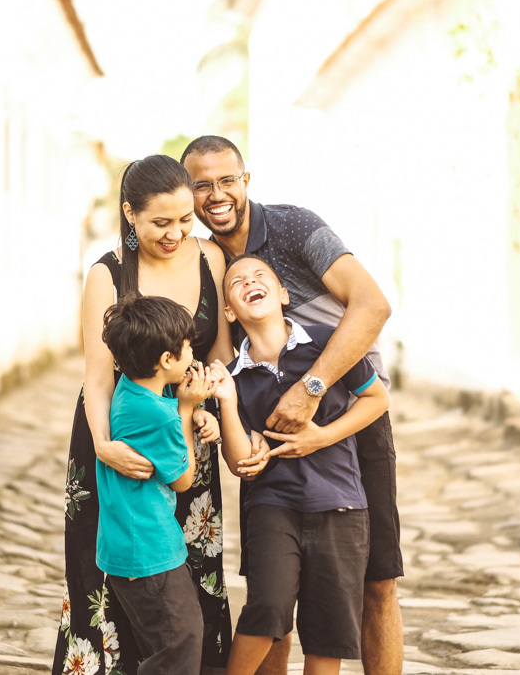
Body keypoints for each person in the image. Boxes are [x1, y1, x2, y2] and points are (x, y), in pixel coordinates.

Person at [181, 136, 403, 675]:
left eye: (227, 180)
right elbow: (216, 358)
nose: (216, 194)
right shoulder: (204, 259)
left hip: (345, 411)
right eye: (201, 185)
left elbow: (373, 304)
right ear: (188, 195)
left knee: (374, 582)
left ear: (245, 181)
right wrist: (220, 412)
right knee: (271, 598)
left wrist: (312, 391)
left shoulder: (295, 226)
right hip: (264, 431)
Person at [55, 154, 266, 675]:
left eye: (184, 220)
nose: (176, 234)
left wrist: (207, 410)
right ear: (130, 213)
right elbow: (98, 377)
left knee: (190, 577)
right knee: (104, 574)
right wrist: (104, 445)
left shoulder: (210, 260)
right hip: (117, 436)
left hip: (188, 434)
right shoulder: (108, 274)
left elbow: (217, 353)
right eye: (160, 223)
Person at [211, 253, 390, 675]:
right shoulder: (232, 378)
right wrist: (229, 403)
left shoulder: (328, 343)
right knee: (267, 610)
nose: (249, 282)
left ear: (284, 294)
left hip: (342, 507)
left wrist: (323, 436)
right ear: (229, 311)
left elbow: (377, 399)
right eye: (237, 282)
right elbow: (240, 463)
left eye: (260, 276)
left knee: (328, 633)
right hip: (274, 507)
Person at [97, 295, 219, 675]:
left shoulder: (132, 391)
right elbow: (183, 480)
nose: (191, 354)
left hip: (128, 543)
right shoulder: (160, 414)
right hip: (148, 549)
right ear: (166, 361)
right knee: (181, 641)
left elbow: (164, 411)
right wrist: (186, 411)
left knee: (164, 644)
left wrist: (192, 410)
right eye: (186, 348)